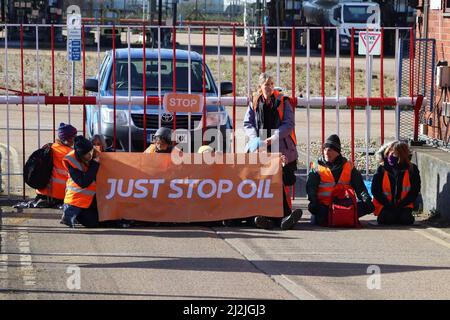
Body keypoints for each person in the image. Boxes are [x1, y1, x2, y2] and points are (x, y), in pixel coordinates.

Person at [243, 72, 302, 230]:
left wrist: (274, 137)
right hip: (260, 147)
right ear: (260, 87)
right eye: (266, 84)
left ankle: (282, 216)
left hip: (280, 147)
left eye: (271, 84)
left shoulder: (283, 101)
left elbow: (289, 124)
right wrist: (256, 139)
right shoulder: (254, 102)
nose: (269, 87)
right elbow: (248, 124)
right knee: (262, 182)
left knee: (279, 181)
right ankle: (272, 217)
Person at [306, 134, 375, 225]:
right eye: (325, 149)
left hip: (345, 205)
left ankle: (331, 218)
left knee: (368, 206)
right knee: (314, 208)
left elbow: (360, 187)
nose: (326, 152)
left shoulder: (348, 167)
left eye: (330, 150)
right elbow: (311, 188)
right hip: (325, 206)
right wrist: (313, 201)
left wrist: (366, 199)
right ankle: (339, 217)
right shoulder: (317, 167)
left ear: (337, 152)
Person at [15, 123, 77, 209]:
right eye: (74, 136)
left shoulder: (49, 148)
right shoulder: (70, 153)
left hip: (42, 193)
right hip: (61, 195)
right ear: (70, 138)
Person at [371, 141, 421, 225]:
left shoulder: (412, 170)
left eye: (395, 154)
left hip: (404, 205)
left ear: (402, 156)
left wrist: (402, 203)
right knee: (389, 219)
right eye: (390, 152)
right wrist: (387, 204)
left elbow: (415, 190)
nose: (391, 155)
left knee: (406, 219)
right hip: (385, 205)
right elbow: (375, 190)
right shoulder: (382, 169)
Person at [60, 136, 100, 228]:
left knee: (105, 220)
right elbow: (83, 183)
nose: (90, 155)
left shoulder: (94, 154)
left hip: (89, 199)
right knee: (93, 223)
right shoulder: (71, 160)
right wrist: (95, 164)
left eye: (91, 151)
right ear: (80, 155)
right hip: (75, 204)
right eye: (87, 154)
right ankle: (72, 216)